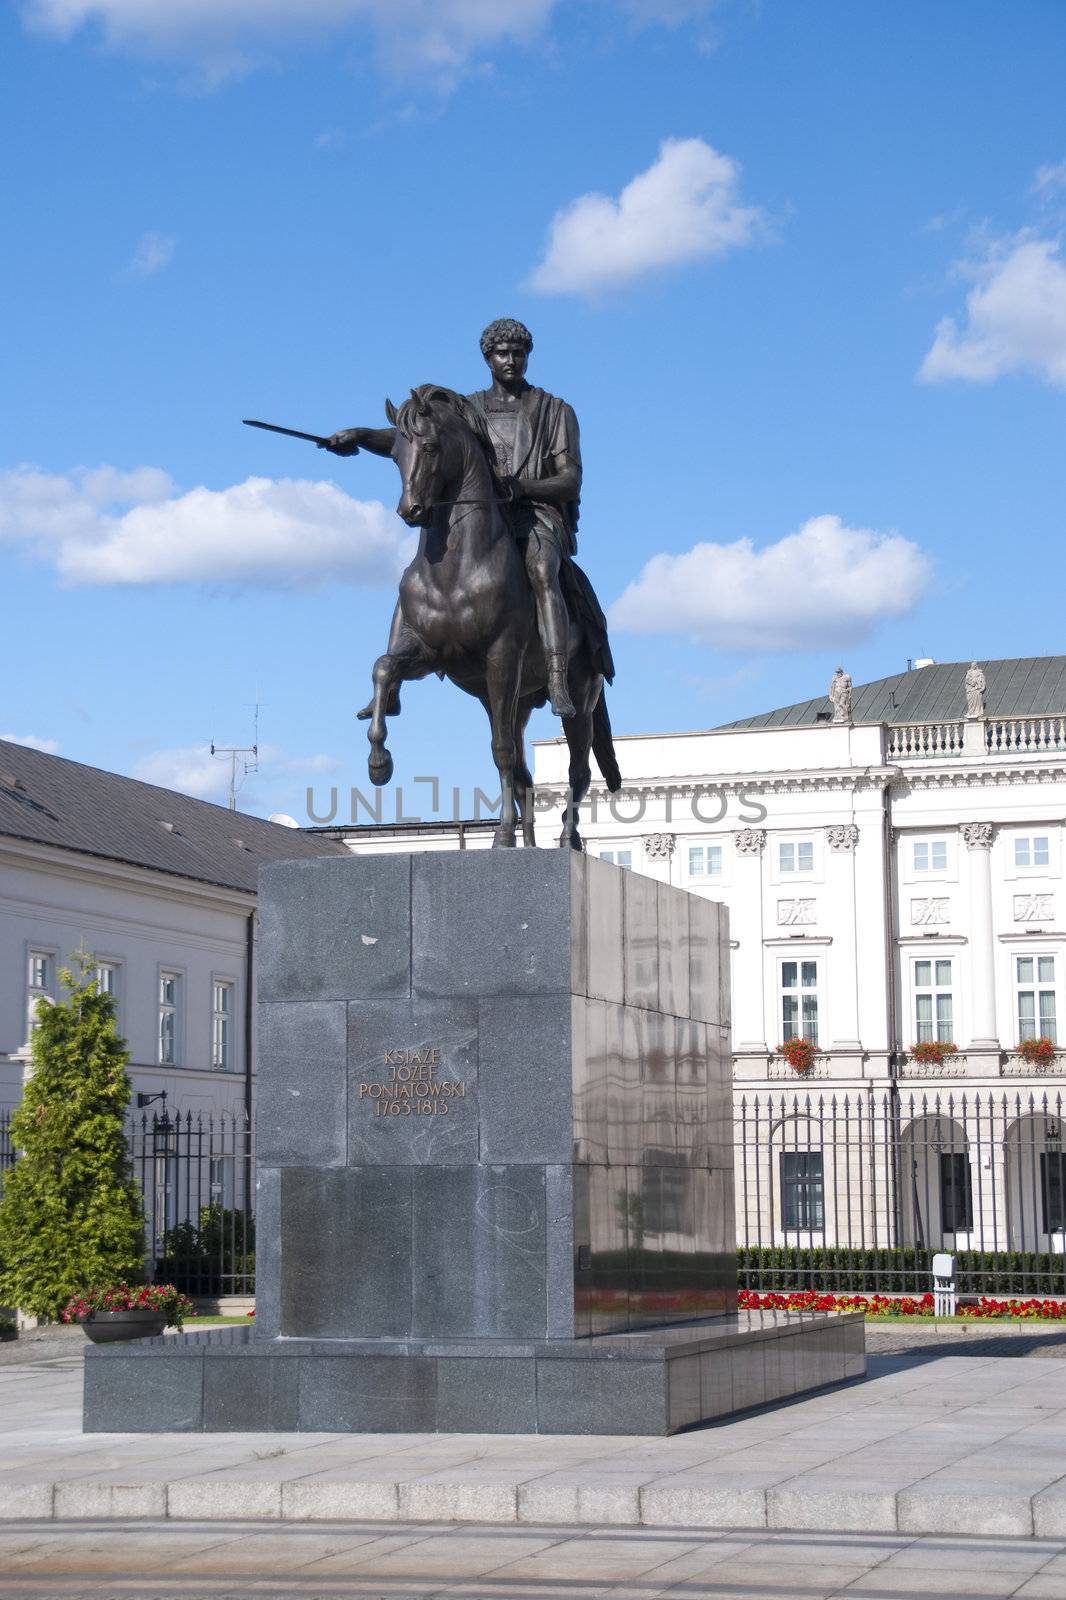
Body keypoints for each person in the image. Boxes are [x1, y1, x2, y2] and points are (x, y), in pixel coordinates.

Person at [323, 317, 580, 719]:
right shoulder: (467, 409)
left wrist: (523, 488)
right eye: (501, 353)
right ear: (487, 358)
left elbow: (570, 479)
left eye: (518, 353)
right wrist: (358, 435)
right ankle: (387, 688)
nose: (510, 360)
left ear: (528, 357)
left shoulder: (554, 411)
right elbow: (411, 438)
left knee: (544, 568)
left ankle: (557, 675)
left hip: (531, 515)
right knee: (417, 576)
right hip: (475, 517)